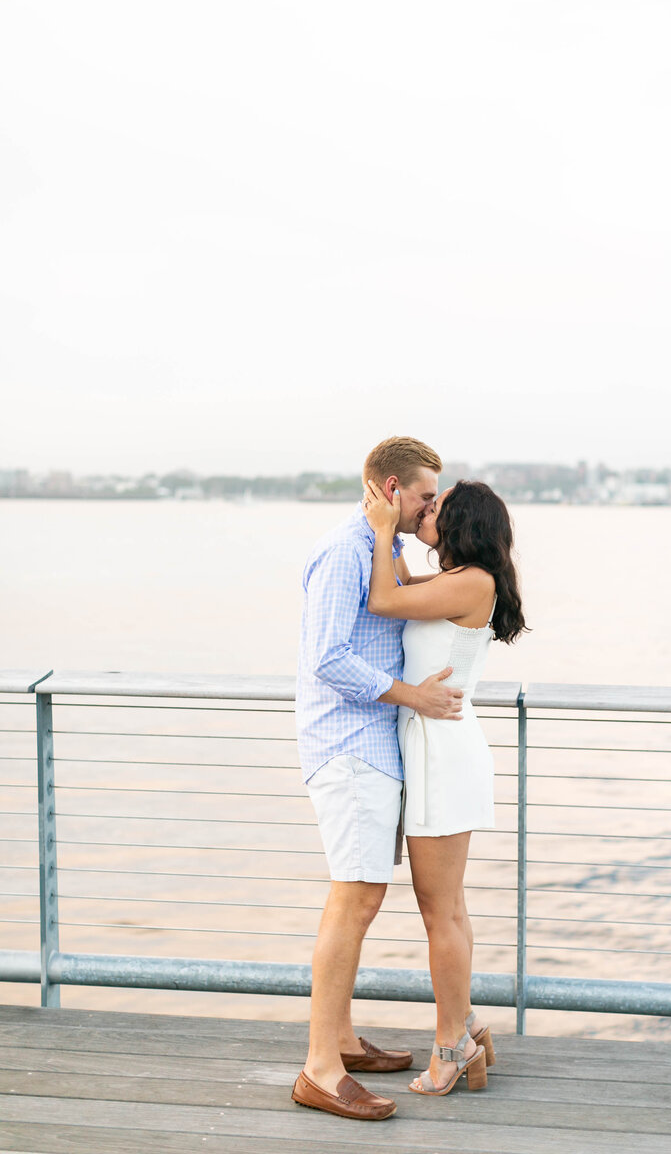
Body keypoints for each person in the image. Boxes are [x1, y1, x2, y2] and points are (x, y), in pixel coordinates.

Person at [291, 436, 465, 1122]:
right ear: (391, 491)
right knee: (355, 900)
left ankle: (338, 1040)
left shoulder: (384, 551)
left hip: (369, 749)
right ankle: (320, 1070)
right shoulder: (346, 550)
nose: (431, 512)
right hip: (349, 746)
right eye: (425, 497)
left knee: (358, 897)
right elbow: (328, 657)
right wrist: (413, 696)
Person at [362, 475, 527, 1096]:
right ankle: (466, 1028)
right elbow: (400, 584)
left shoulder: (472, 581)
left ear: (463, 525)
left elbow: (382, 598)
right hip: (435, 747)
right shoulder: (461, 579)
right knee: (448, 908)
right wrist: (397, 531)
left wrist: (383, 530)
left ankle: (451, 1047)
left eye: (438, 507)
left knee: (439, 914)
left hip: (441, 753)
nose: (427, 511)